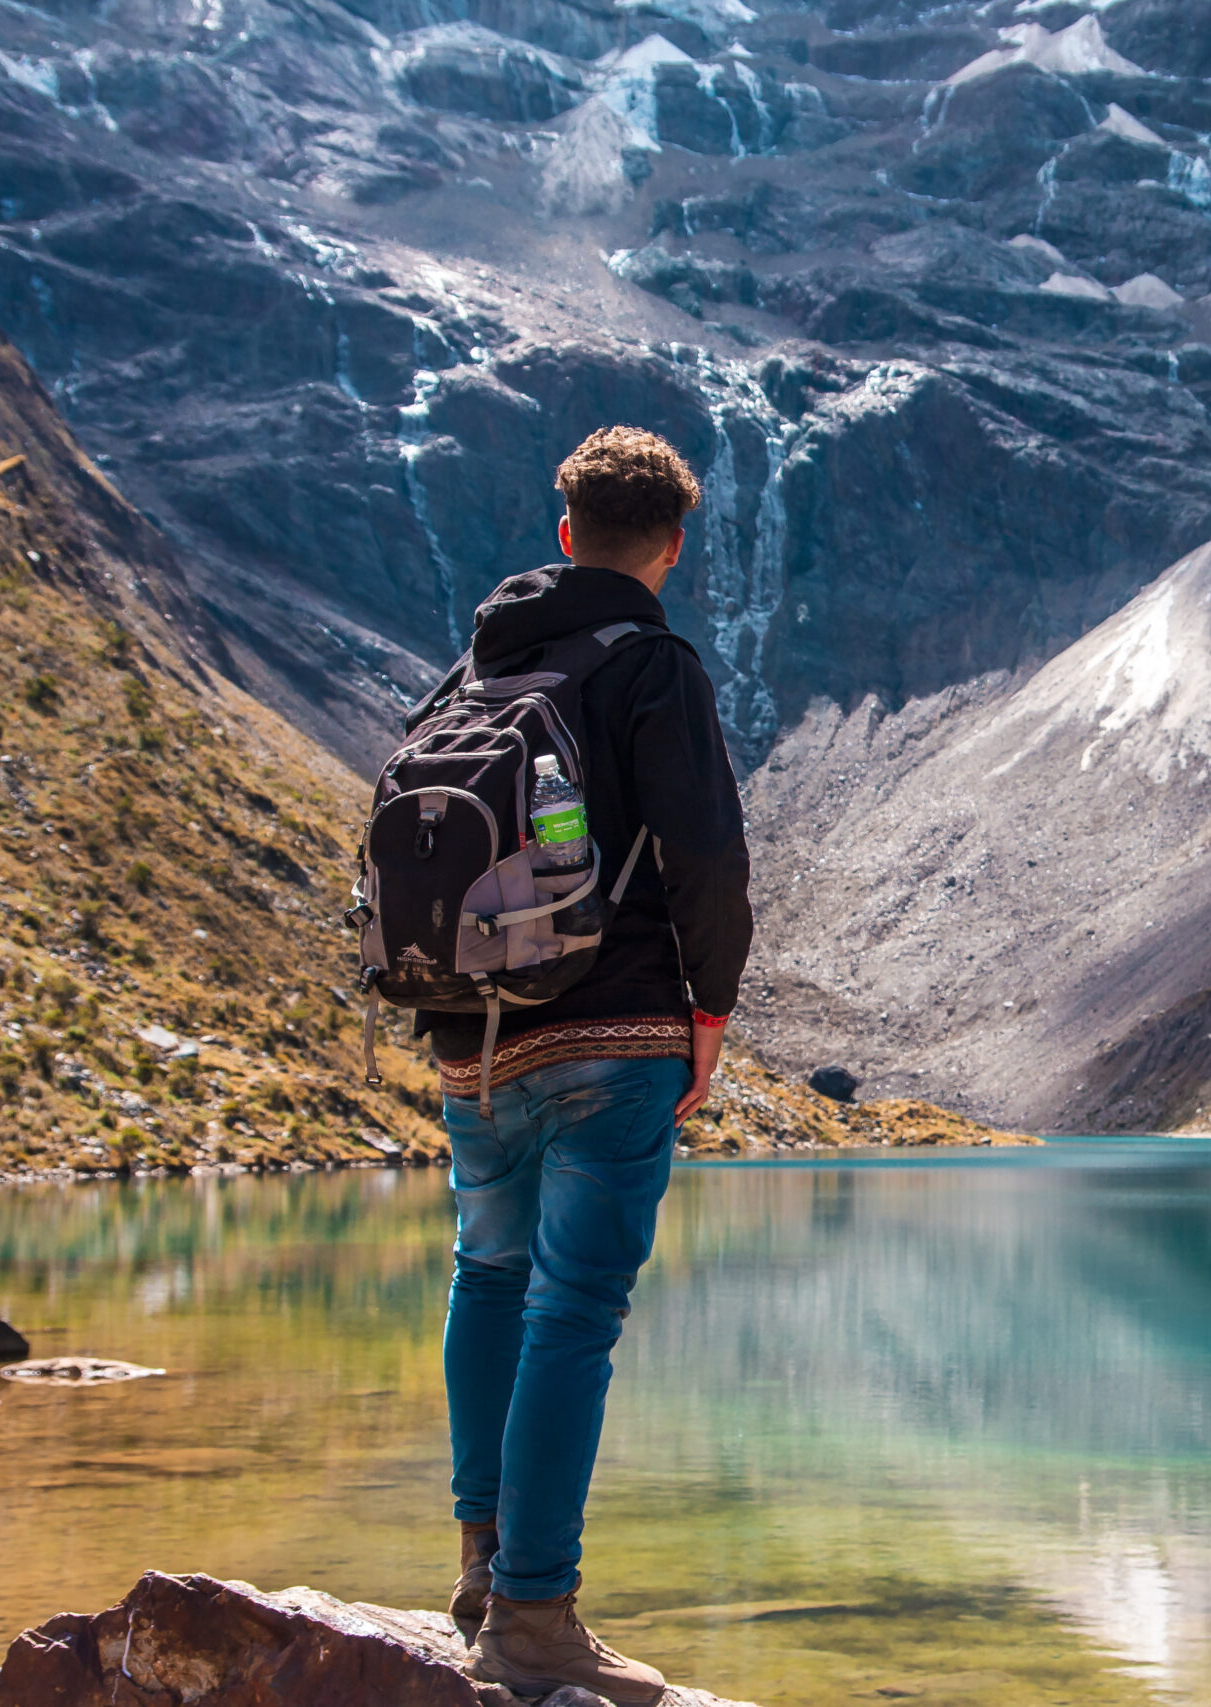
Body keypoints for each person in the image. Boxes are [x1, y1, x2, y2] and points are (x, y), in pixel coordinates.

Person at [417, 427, 753, 1706]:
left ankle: (478, 1568)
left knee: (487, 1278)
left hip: (470, 1041)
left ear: (565, 534)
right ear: (667, 549)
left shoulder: (472, 673)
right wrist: (706, 1014)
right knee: (573, 1310)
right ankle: (537, 1621)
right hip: (611, 1036)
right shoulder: (650, 663)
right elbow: (706, 861)